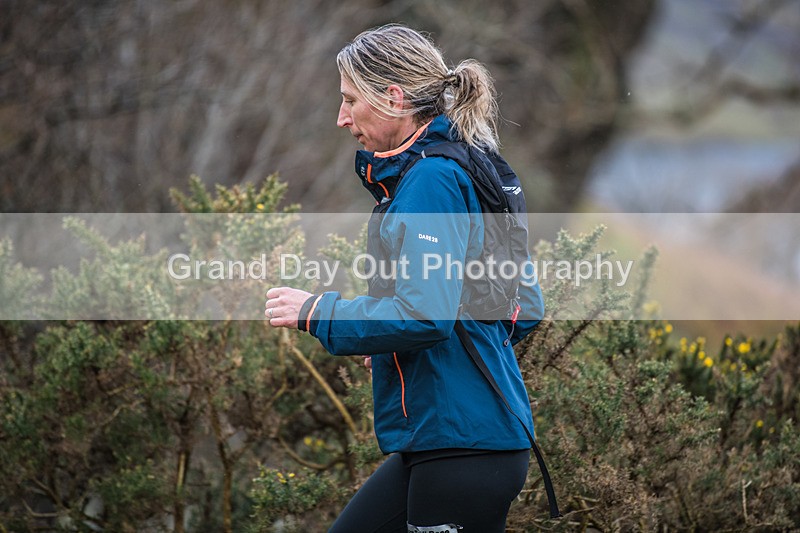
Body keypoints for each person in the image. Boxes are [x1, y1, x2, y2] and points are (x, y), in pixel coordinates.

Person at [265, 24, 545, 533]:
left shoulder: (431, 179)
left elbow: (425, 315)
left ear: (392, 97)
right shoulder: (468, 163)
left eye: (350, 101)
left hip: (461, 448)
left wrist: (318, 311)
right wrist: (400, 338)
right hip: (457, 442)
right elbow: (526, 304)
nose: (341, 117)